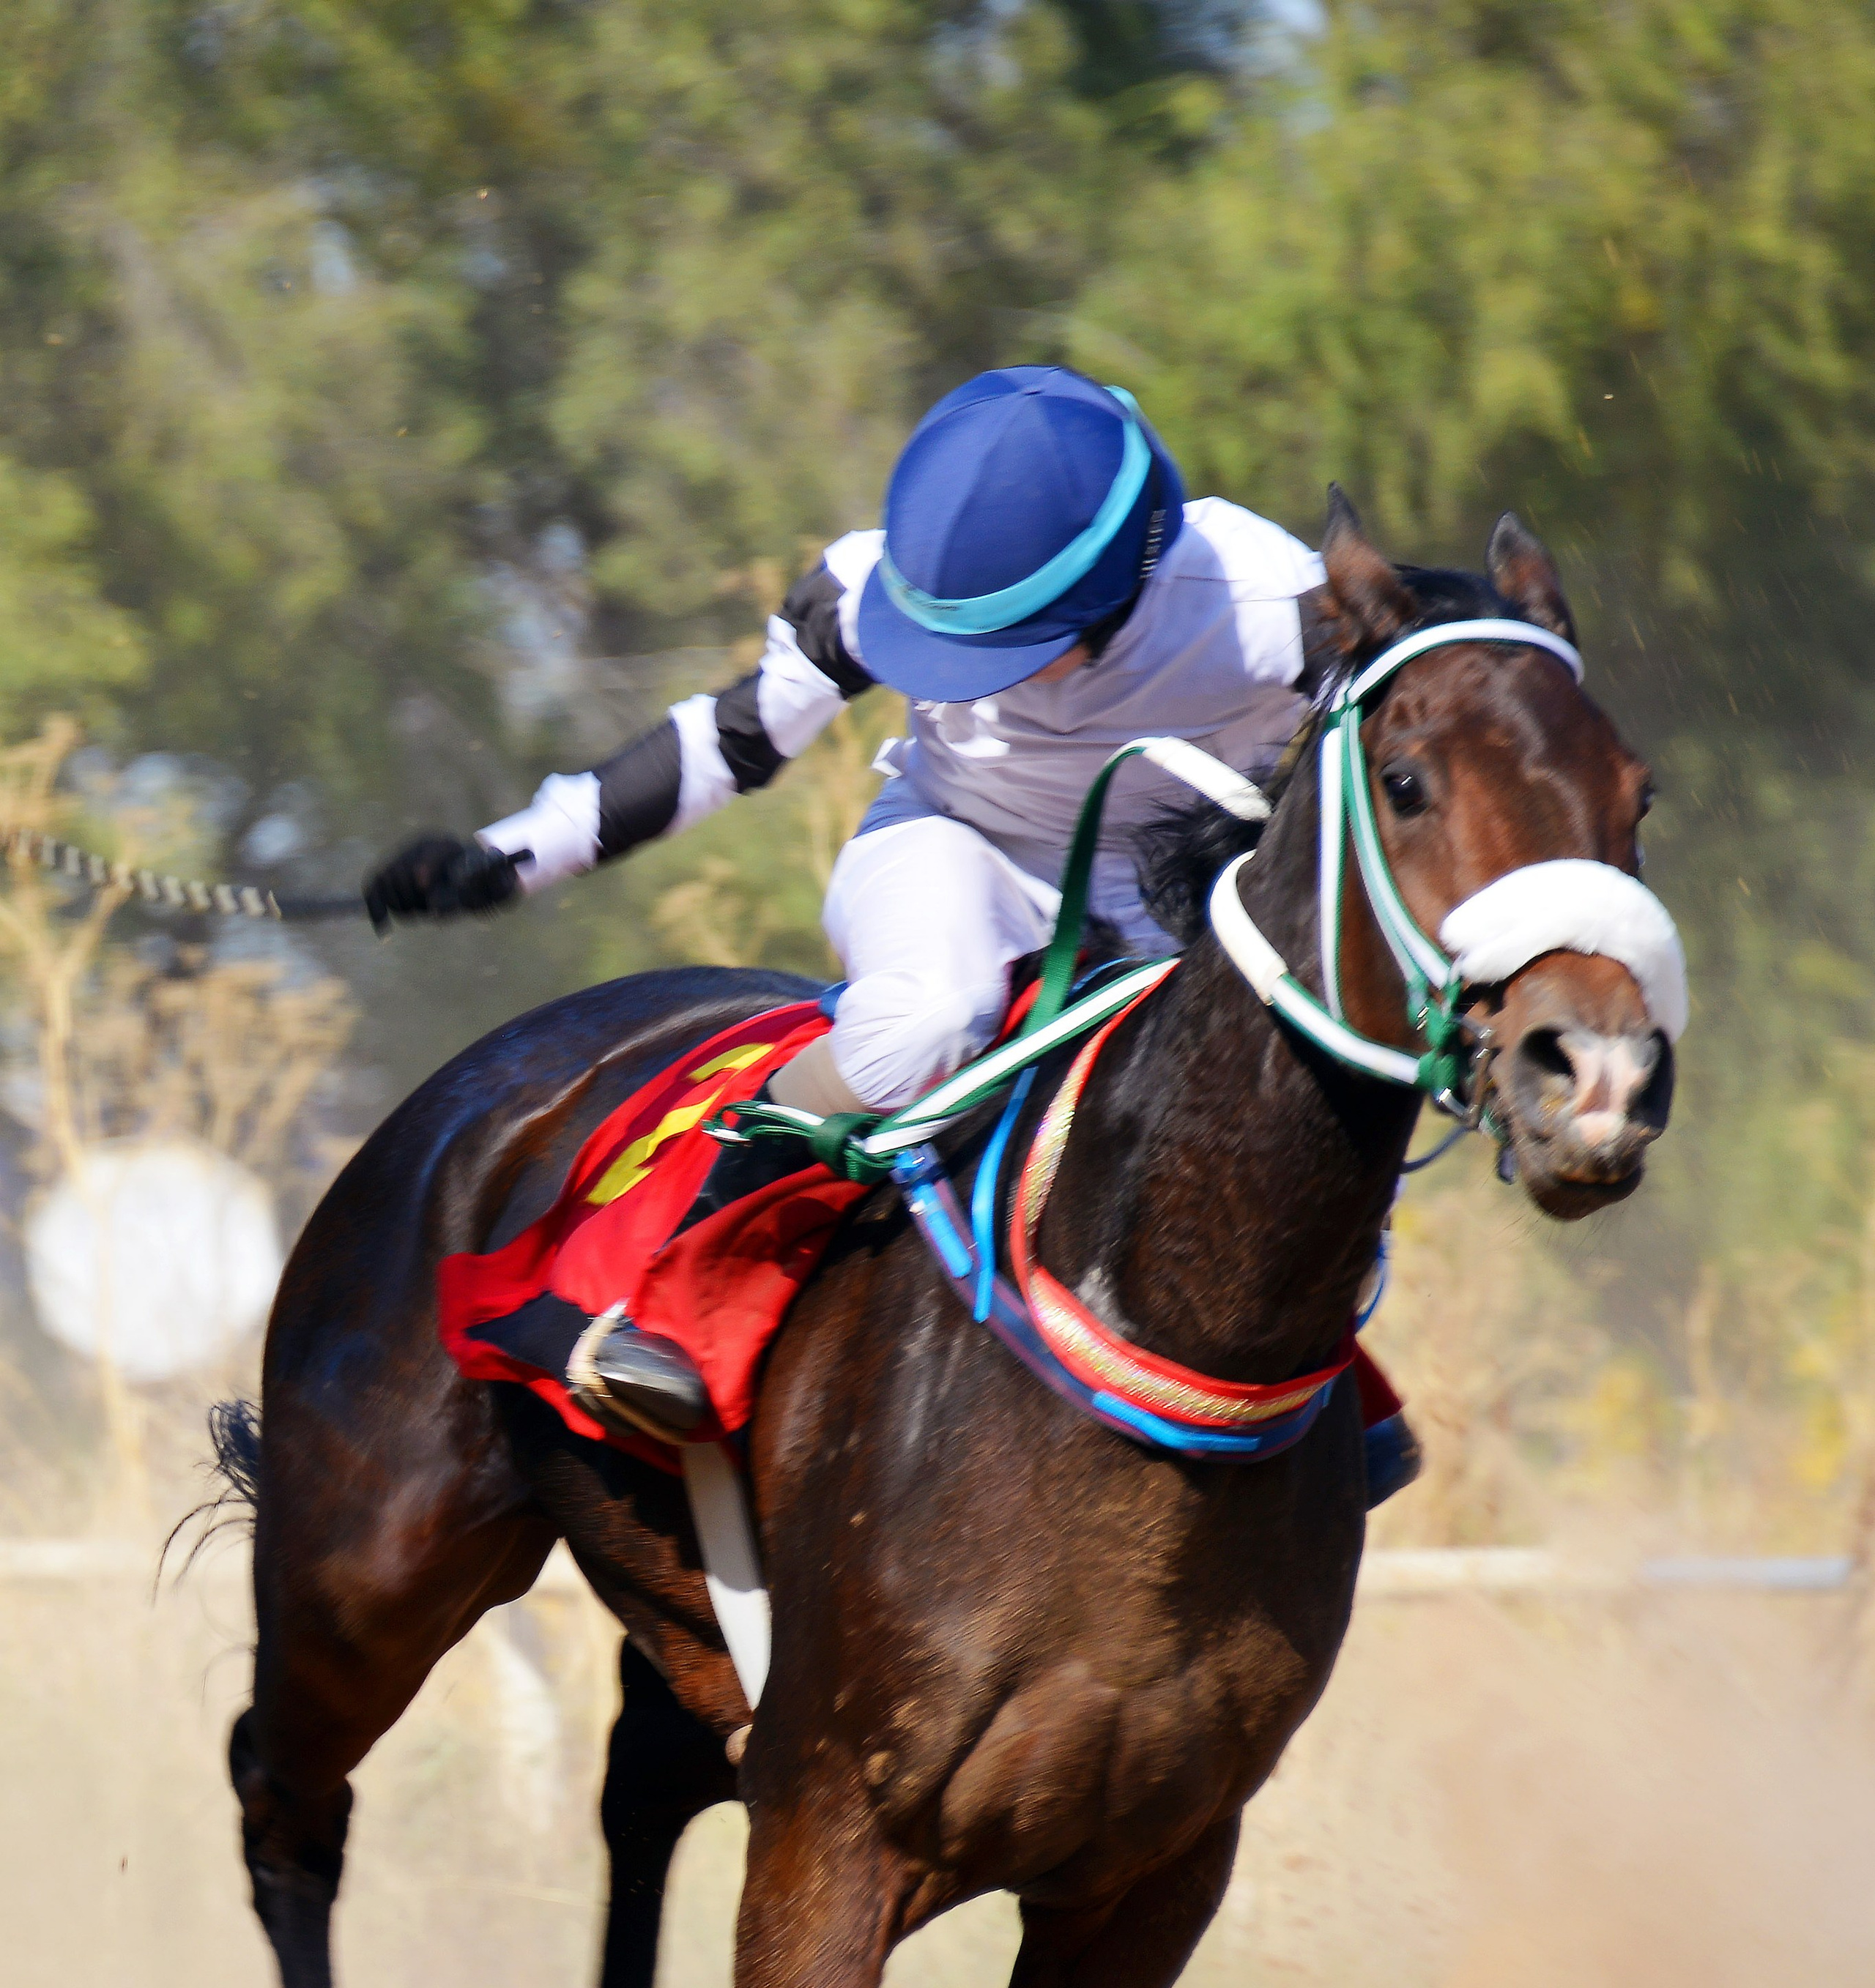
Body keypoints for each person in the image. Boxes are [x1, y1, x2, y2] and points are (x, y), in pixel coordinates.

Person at [367, 366, 1334, 1441]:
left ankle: (1322, 1404)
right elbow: (730, 742)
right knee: (922, 1020)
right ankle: (658, 1285)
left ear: (1122, 590)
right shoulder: (862, 587)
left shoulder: (1278, 612)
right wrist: (516, 855)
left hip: (1163, 913)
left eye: (1003, 646)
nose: (967, 675)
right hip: (951, 846)